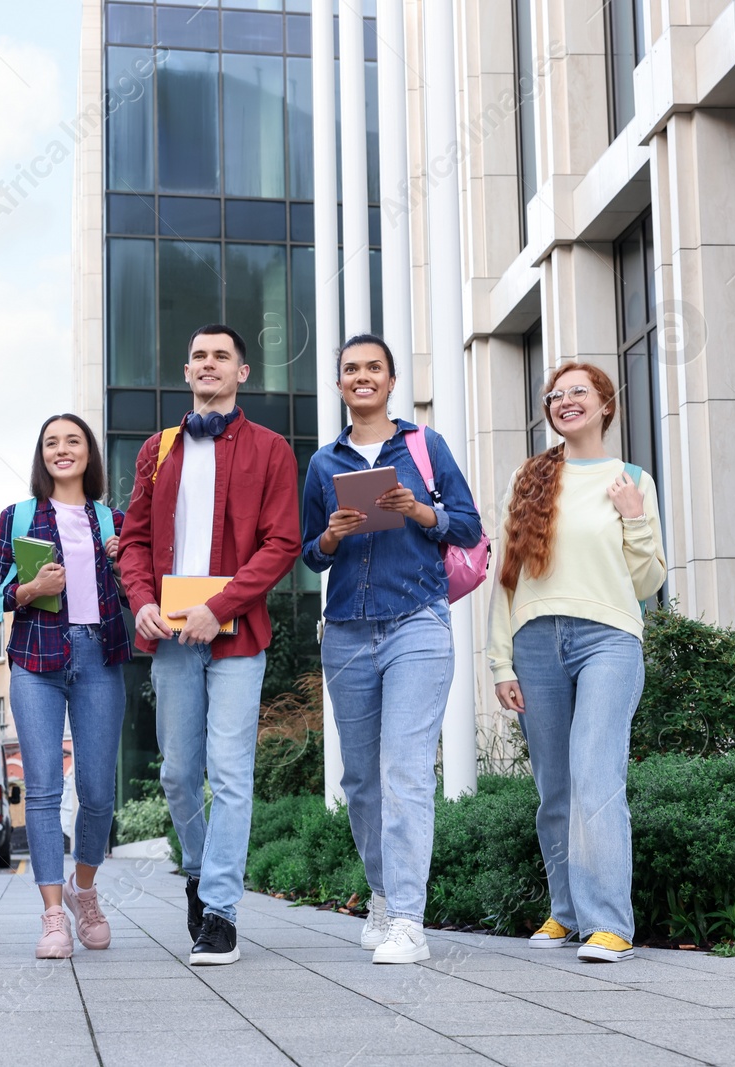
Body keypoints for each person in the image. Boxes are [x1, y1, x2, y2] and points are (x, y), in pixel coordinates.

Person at [117, 324, 301, 966]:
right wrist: (141, 600)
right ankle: (199, 868)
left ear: (241, 373)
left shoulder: (272, 449)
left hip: (236, 636)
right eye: (198, 356)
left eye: (221, 356)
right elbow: (134, 538)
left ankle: (219, 911)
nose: (208, 364)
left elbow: (282, 544)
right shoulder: (156, 449)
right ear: (187, 370)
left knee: (228, 773)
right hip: (169, 635)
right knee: (175, 773)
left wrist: (218, 607)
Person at [300, 335, 483, 965]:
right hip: (348, 628)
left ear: (392, 379)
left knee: (405, 771)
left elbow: (469, 525)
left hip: (417, 622)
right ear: (340, 383)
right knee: (361, 780)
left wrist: (420, 510)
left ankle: (409, 919)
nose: (361, 377)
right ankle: (381, 895)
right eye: (350, 369)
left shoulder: (425, 447)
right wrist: (331, 534)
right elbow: (308, 554)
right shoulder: (325, 463)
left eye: (372, 368)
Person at [489, 360, 665, 964]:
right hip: (535, 640)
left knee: (595, 775)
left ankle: (609, 924)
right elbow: (505, 577)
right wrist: (499, 663)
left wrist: (634, 516)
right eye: (555, 395)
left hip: (609, 639)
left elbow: (647, 579)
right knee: (555, 787)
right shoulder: (531, 478)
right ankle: (565, 911)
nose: (565, 402)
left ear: (604, 405)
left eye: (578, 393)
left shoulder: (631, 478)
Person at [0, 413, 129, 958]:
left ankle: (82, 890)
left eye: (73, 441)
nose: (62, 450)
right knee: (42, 790)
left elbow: (139, 590)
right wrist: (29, 588)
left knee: (96, 793)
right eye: (51, 443)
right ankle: (52, 916)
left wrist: (120, 566)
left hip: (100, 655)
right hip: (35, 658)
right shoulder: (17, 517)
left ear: (89, 453)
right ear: (41, 456)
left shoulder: (113, 521)